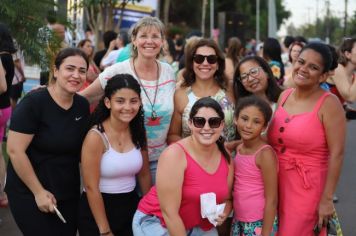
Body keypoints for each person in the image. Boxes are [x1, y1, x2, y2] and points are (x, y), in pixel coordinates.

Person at [80, 16, 175, 184]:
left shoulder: (168, 72)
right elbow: (86, 97)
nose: (149, 41)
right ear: (134, 40)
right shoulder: (118, 70)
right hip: (126, 159)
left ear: (162, 41)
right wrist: (53, 93)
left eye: (155, 36)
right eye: (144, 36)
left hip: (162, 159)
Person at [5, 48, 90, 235]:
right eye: (70, 68)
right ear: (56, 70)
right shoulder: (34, 103)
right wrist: (38, 192)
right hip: (29, 189)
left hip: (66, 190)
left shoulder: (82, 106)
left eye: (82, 71)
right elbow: (14, 151)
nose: (76, 75)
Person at [267, 43, 346, 235]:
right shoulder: (284, 96)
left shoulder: (329, 104)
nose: (303, 69)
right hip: (273, 184)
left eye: (313, 67)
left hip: (307, 190)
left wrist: (327, 200)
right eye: (301, 62)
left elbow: (337, 154)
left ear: (324, 76)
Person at [132, 97, 234, 236]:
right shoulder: (174, 155)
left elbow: (227, 199)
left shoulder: (226, 157)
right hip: (158, 221)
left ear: (222, 125)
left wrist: (224, 212)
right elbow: (169, 214)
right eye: (199, 121)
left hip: (195, 224)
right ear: (190, 123)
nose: (206, 128)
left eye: (214, 122)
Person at [78, 74, 151, 236]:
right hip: (97, 211)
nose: (127, 107)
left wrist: (148, 212)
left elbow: (144, 174)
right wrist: (104, 230)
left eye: (133, 101)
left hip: (130, 207)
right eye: (120, 101)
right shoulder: (95, 136)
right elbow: (91, 187)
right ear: (107, 102)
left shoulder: (138, 132)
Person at [168, 38, 236, 146]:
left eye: (211, 59)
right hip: (192, 159)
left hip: (227, 159)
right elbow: (173, 135)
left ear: (218, 64)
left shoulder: (231, 89)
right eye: (199, 58)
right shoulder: (180, 93)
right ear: (191, 63)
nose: (205, 63)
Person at [232, 95, 278, 236]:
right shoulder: (239, 148)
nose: (248, 126)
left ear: (264, 126)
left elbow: (272, 199)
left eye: (256, 122)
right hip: (239, 218)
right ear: (235, 118)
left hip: (259, 222)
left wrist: (265, 232)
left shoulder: (265, 154)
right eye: (244, 119)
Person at [0, 23, 16, 208]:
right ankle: (2, 195)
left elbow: (2, 87)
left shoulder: (1, 58)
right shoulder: (8, 57)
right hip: (4, 108)